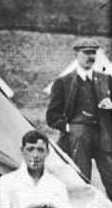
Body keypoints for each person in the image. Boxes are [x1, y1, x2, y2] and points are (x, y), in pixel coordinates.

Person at [46, 38, 112, 199]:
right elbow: (52, 116)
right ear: (76, 54)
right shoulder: (63, 82)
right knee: (81, 180)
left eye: (93, 53)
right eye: (86, 53)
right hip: (78, 139)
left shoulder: (106, 79)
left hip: (103, 136)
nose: (90, 57)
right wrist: (69, 127)